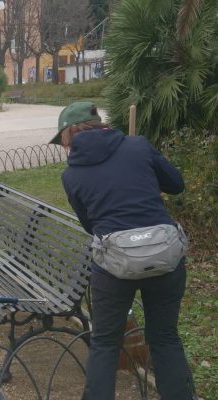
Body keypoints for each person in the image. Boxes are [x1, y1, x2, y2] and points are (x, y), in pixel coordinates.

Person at [52, 102, 195, 399]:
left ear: (71, 133)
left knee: (105, 343)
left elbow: (91, 226)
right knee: (165, 338)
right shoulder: (138, 147)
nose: (64, 147)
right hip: (165, 257)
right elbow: (176, 184)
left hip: (114, 267)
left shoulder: (72, 176)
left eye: (62, 140)